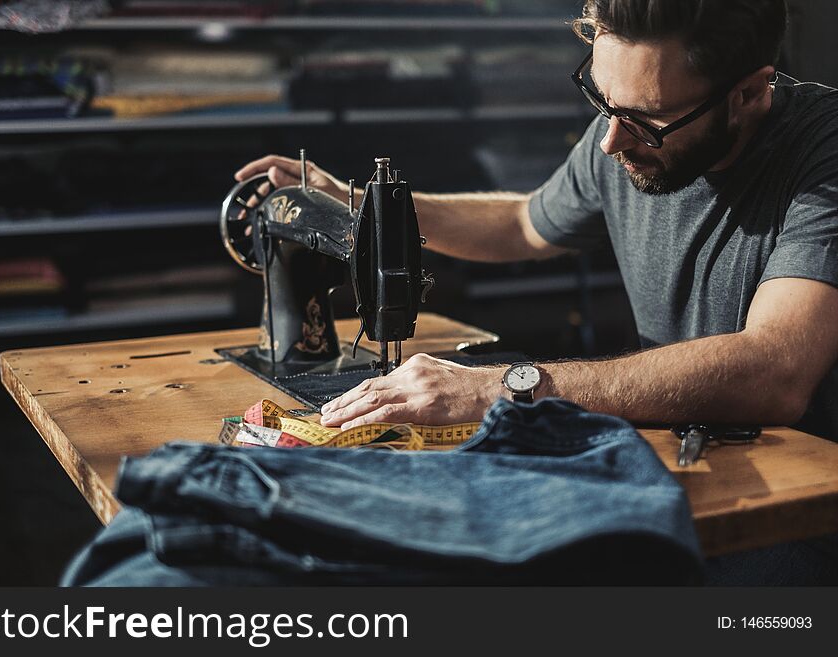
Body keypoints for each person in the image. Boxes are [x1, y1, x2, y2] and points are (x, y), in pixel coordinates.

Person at [234, 0, 838, 447]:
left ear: (750, 94)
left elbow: (775, 369)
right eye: (601, 101)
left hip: (806, 498)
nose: (608, 142)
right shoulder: (628, 123)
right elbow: (523, 223)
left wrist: (502, 386)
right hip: (687, 453)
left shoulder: (824, 153)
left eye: (647, 120)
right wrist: (363, 206)